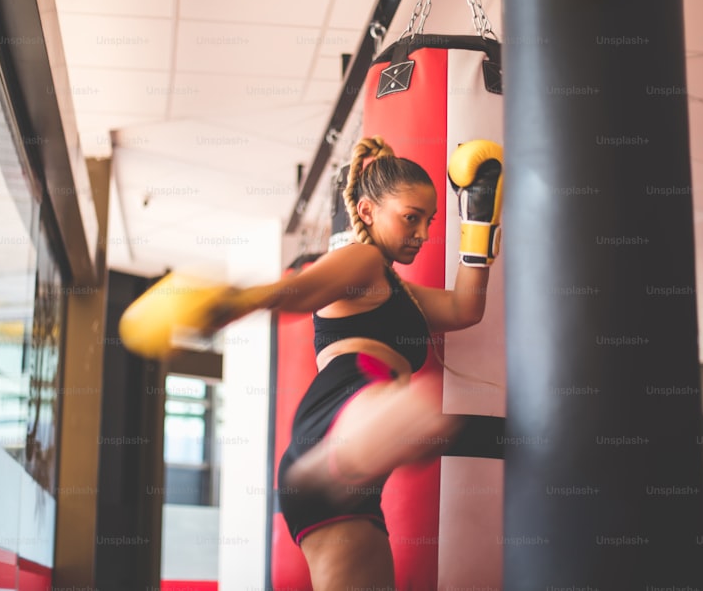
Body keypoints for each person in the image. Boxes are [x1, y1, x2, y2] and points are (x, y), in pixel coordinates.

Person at [118, 134, 503, 589]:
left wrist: (477, 213)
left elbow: (464, 309)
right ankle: (330, 465)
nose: (421, 233)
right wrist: (228, 304)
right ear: (366, 212)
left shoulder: (403, 294)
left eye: (429, 221)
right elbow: (300, 292)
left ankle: (336, 468)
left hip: (354, 475)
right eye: (411, 218)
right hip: (344, 409)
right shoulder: (362, 261)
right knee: (414, 412)